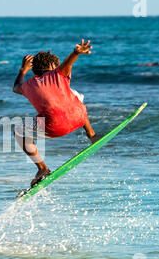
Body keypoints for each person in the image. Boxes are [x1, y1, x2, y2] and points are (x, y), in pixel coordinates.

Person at [13, 39, 101, 187]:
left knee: (18, 130)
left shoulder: (28, 85)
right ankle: (92, 135)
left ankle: (42, 168)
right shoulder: (59, 74)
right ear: (53, 66)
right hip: (78, 118)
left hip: (54, 127)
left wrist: (22, 71)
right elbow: (68, 63)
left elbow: (15, 87)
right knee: (75, 96)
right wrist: (76, 52)